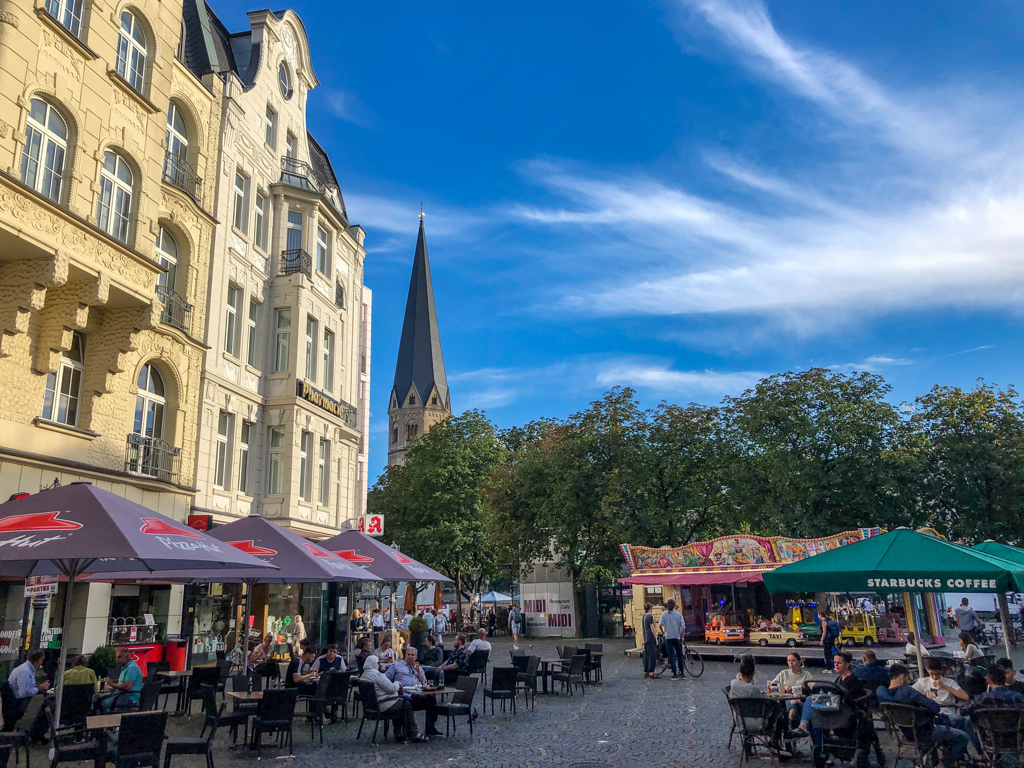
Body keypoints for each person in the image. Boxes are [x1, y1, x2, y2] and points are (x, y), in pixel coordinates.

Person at [876, 663, 970, 767]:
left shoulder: (882, 693)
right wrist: (926, 700)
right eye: (907, 678)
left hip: (906, 732)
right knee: (963, 736)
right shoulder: (909, 691)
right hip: (925, 731)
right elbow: (935, 708)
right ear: (902, 677)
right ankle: (949, 760)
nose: (908, 682)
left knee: (956, 720)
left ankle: (936, 755)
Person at [360, 655, 426, 743]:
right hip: (383, 704)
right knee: (406, 704)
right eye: (378, 663)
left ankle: (399, 732)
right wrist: (397, 683)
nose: (379, 665)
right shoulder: (377, 675)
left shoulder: (364, 675)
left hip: (372, 705)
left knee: (401, 703)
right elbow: (391, 688)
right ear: (375, 664)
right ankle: (413, 733)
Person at [387, 646, 442, 737]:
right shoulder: (396, 666)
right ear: (405, 655)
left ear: (416, 657)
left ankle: (430, 728)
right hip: (404, 695)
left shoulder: (418, 668)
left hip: (417, 693)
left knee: (431, 699)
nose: (410, 657)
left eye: (412, 655)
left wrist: (419, 672)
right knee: (407, 703)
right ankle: (411, 731)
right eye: (408, 654)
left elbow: (424, 683)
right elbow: (386, 679)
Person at [771, 652, 812, 723]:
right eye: (789, 661)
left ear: (799, 662)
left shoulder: (807, 675)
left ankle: (795, 724)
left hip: (801, 700)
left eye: (793, 661)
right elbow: (773, 684)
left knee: (796, 705)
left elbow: (813, 687)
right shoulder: (784, 673)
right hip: (787, 699)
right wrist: (783, 687)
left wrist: (799, 689)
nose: (791, 663)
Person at [100, 649, 143, 713]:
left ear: (127, 657)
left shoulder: (131, 668)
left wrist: (111, 684)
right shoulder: (127, 667)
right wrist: (112, 681)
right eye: (116, 657)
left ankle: (110, 719)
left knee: (103, 704)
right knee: (101, 700)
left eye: (119, 657)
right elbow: (123, 680)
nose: (117, 660)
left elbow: (127, 686)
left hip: (128, 698)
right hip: (123, 694)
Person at [7, 651, 50, 715]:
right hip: (18, 702)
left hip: (20, 700)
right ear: (38, 660)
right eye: (41, 660)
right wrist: (40, 688)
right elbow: (23, 693)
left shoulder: (28, 669)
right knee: (43, 701)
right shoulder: (25, 671)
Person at [658, 598, 686, 680]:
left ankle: (674, 673)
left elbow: (660, 625)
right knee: (680, 655)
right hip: (677, 637)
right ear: (674, 606)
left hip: (668, 637)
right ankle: (682, 672)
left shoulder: (664, 614)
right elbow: (683, 627)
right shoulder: (678, 615)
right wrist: (681, 636)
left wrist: (663, 633)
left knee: (671, 656)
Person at [641, 603, 658, 679]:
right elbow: (652, 628)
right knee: (652, 655)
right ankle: (651, 671)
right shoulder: (650, 616)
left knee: (647, 655)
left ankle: (646, 671)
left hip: (646, 637)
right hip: (650, 637)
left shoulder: (643, 616)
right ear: (651, 607)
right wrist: (656, 638)